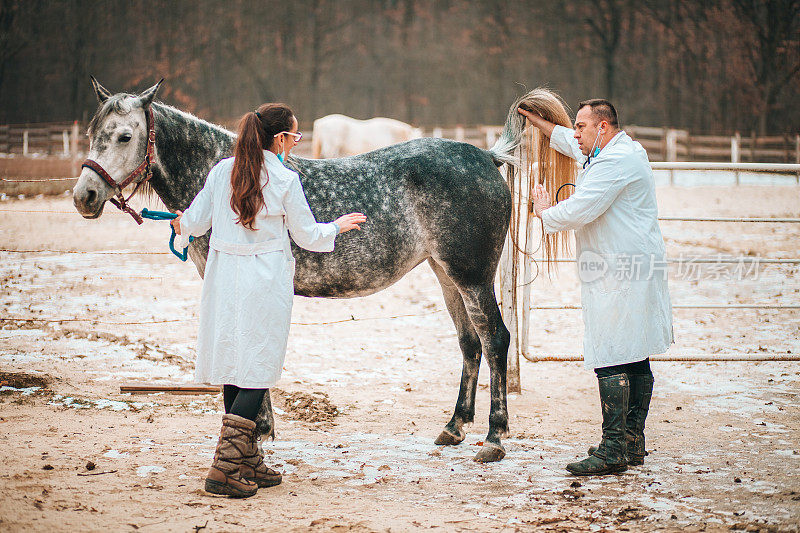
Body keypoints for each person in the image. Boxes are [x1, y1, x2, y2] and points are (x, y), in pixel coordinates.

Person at [171, 103, 366, 497]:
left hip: (224, 277)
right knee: (258, 370)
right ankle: (224, 469)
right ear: (279, 139)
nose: (295, 144)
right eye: (294, 137)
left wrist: (179, 223)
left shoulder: (221, 172)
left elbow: (193, 223)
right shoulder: (283, 179)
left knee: (234, 363)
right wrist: (338, 226)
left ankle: (247, 459)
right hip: (264, 282)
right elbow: (308, 236)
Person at [518, 99, 673, 476]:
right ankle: (631, 440)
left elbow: (583, 207)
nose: (576, 134)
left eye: (581, 126)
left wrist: (543, 211)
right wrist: (541, 123)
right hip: (627, 263)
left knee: (611, 350)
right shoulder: (616, 150)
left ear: (602, 127)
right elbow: (571, 145)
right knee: (633, 349)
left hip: (619, 268)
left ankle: (613, 449)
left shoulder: (616, 161)